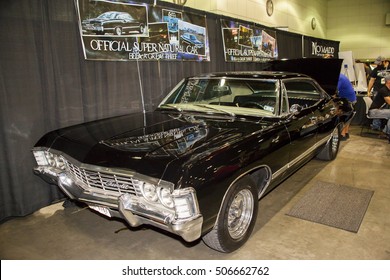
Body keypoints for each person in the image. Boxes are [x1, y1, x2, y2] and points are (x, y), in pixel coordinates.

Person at [367, 56, 390, 129]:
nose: (378, 64)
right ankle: (376, 125)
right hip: (378, 91)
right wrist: (368, 91)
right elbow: (372, 80)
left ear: (384, 62)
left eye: (379, 63)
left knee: (385, 107)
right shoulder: (376, 70)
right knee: (377, 106)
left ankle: (383, 126)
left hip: (387, 90)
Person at [368, 74, 390, 142]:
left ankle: (385, 132)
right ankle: (387, 132)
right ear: (388, 81)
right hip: (374, 111)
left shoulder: (387, 90)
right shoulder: (384, 90)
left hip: (378, 110)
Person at [337, 73, 356, 140]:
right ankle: (346, 133)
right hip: (350, 99)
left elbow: (335, 91)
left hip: (348, 100)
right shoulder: (341, 76)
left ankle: (343, 134)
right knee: (348, 117)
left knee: (344, 117)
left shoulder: (339, 78)